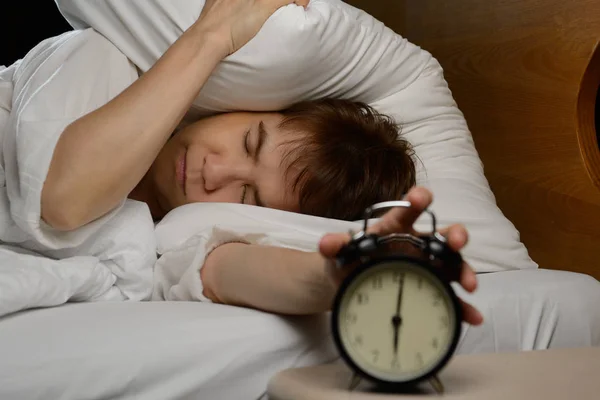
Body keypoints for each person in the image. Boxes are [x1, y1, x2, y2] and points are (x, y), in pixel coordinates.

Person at [4, 0, 483, 325]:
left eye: (249, 195)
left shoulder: (163, 237)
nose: (215, 172)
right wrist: (211, 36)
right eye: (249, 142)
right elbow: (63, 199)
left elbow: (225, 270)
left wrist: (344, 276)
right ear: (249, 106)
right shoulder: (101, 62)